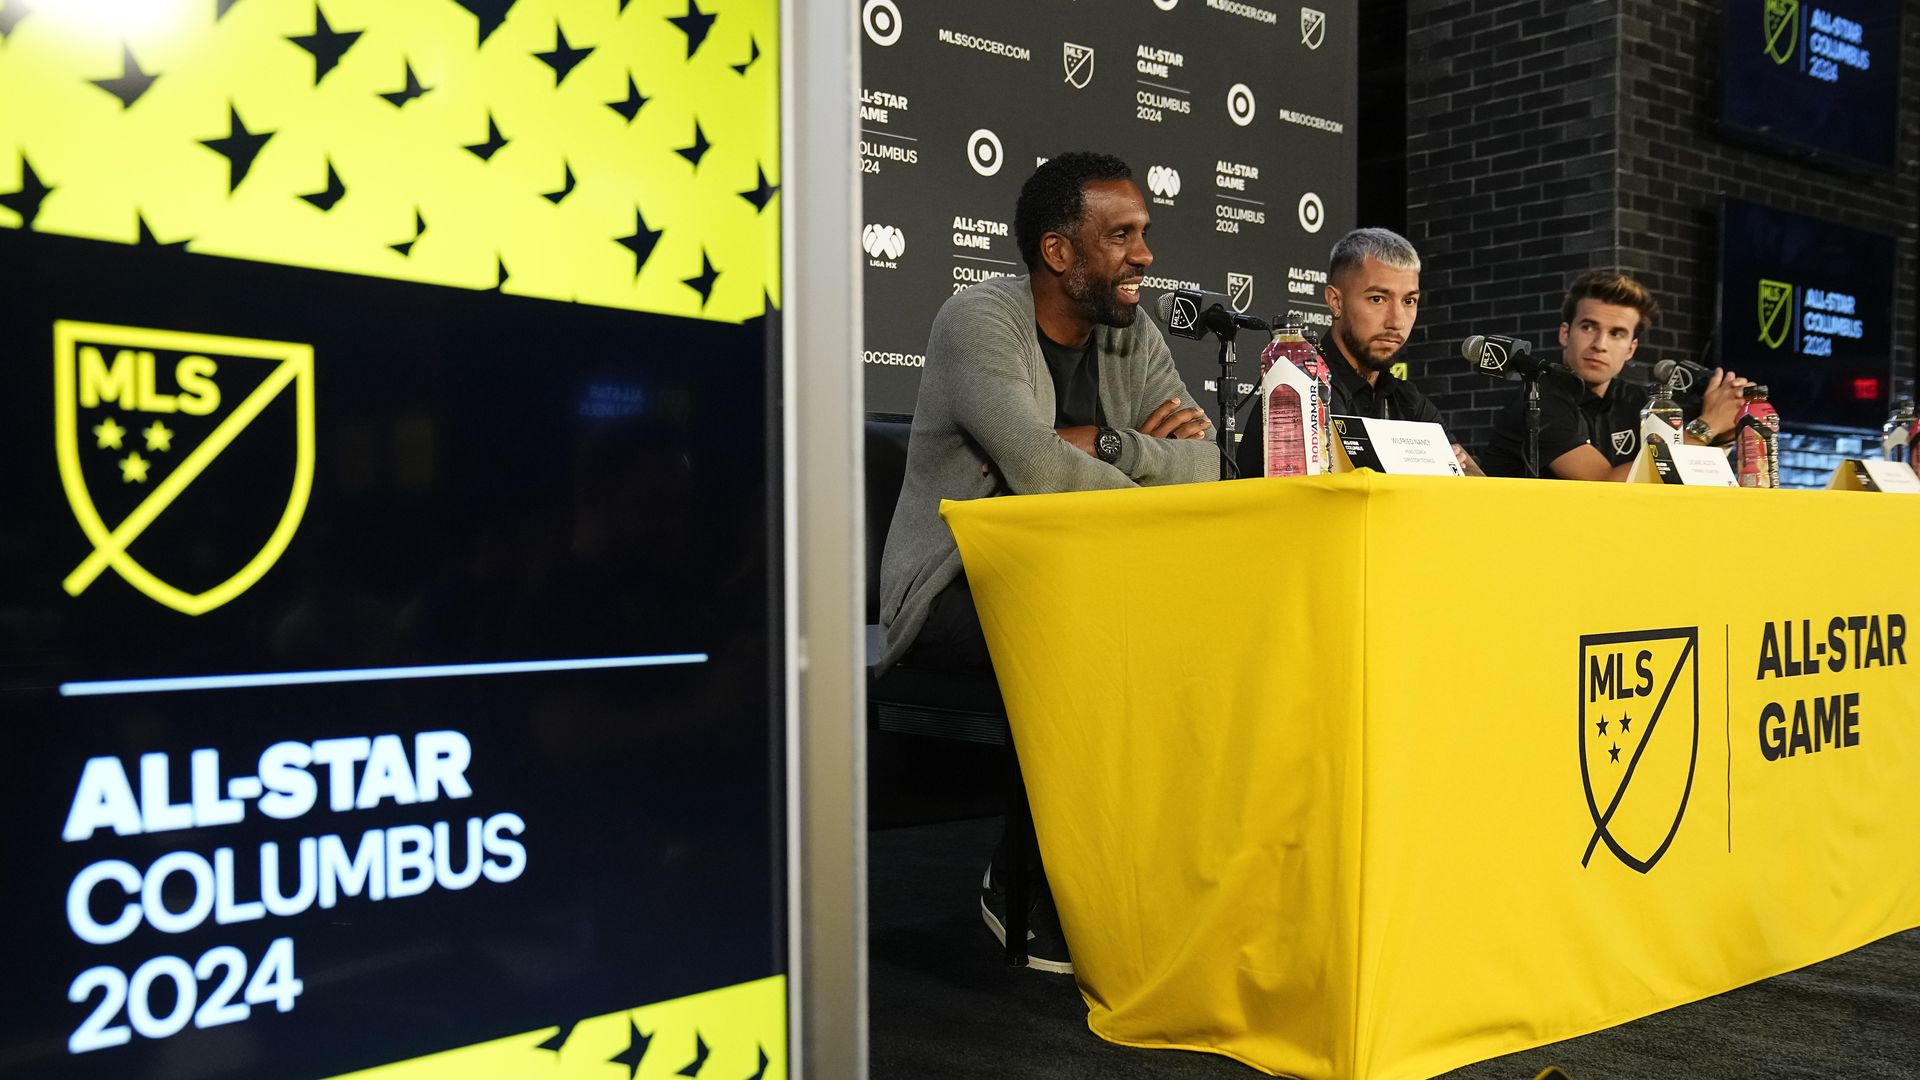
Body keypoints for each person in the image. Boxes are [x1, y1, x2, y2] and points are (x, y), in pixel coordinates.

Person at [876, 152, 1218, 972]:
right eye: (1121, 236)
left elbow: (1203, 463)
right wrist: (1138, 466)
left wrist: (1101, 441)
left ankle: (1147, 880)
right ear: (1059, 254)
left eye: (1145, 234)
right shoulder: (978, 322)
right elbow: (1038, 472)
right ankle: (1027, 882)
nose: (1145, 256)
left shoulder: (1131, 334)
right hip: (954, 584)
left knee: (1193, 643)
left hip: (1092, 576)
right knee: (1082, 647)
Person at [1234, 227, 1481, 478]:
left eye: (1409, 301)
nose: (1396, 321)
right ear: (1336, 302)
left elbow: (1478, 495)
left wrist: (1467, 469)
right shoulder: (1298, 390)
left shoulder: (1409, 403)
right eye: (1377, 299)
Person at [1481, 271, 1749, 479]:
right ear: (1565, 333)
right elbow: (1605, 484)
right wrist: (1707, 425)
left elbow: (1688, 466)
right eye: (1588, 327)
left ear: (1631, 348)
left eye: (1616, 334)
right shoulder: (1537, 399)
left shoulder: (1641, 402)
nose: (1600, 343)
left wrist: (1726, 423)